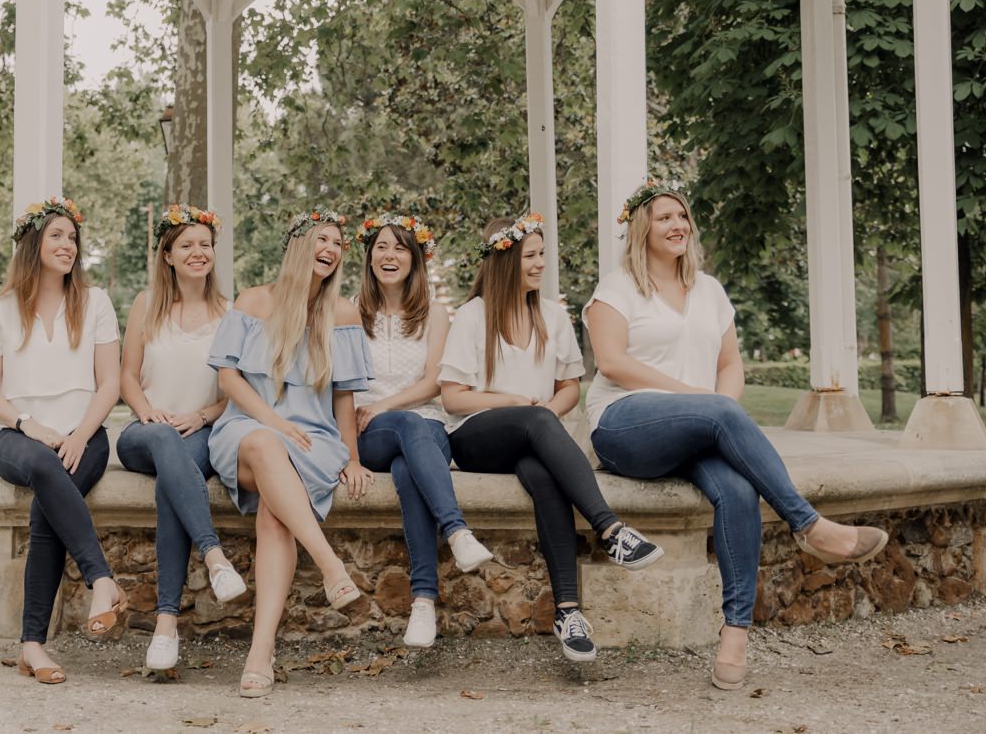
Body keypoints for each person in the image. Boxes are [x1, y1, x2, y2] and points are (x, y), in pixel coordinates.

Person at [584, 181, 889, 690]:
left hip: (699, 428)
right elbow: (613, 362)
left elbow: (730, 364)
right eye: (663, 217)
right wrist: (699, 400)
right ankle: (811, 526)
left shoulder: (710, 290)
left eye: (682, 215)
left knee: (739, 491)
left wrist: (715, 407)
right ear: (642, 228)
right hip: (625, 423)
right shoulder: (616, 288)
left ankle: (735, 634)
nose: (677, 224)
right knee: (720, 412)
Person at [439, 213, 663, 664]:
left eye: (543, 254)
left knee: (544, 475)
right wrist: (515, 403)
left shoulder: (551, 316)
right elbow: (452, 400)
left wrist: (545, 412)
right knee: (537, 424)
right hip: (474, 438)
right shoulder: (471, 316)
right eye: (531, 256)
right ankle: (611, 529)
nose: (541, 264)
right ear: (505, 262)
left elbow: (569, 388)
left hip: (531, 436)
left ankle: (568, 612)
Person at [206, 209, 374, 696]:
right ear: (299, 244)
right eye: (323, 238)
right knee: (262, 443)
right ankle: (330, 565)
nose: (333, 248)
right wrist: (274, 421)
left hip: (312, 440)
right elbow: (228, 377)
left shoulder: (342, 314)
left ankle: (260, 656)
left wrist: (352, 457)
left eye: (340, 244)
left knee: (274, 516)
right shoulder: (254, 302)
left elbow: (344, 397)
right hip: (249, 428)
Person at [0, 197, 125, 685]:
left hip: (85, 436)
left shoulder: (95, 302)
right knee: (43, 467)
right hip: (16, 437)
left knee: (45, 512)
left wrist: (81, 434)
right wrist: (27, 424)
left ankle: (32, 647)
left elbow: (110, 383)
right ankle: (102, 580)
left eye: (73, 237)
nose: (68, 244)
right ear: (33, 244)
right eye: (57, 235)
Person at [115, 204, 247, 672]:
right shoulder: (145, 304)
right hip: (144, 433)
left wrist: (207, 413)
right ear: (167, 255)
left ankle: (166, 625)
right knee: (166, 448)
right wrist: (148, 412)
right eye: (186, 245)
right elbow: (127, 376)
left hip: (199, 434)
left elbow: (238, 389)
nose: (198, 253)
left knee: (175, 481)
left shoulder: (231, 313)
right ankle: (213, 555)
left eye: (205, 245)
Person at [353, 214, 493, 649]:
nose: (389, 255)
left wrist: (386, 403)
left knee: (408, 469)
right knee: (408, 432)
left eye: (399, 247)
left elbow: (435, 382)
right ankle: (456, 532)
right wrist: (369, 420)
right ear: (369, 256)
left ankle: (424, 604)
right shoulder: (349, 312)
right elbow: (339, 385)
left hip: (425, 427)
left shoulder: (435, 313)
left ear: (415, 258)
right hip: (369, 429)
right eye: (381, 247)